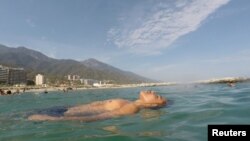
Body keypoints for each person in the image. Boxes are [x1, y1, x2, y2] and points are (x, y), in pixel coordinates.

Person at [28, 90, 167, 122]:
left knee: (12, 120)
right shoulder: (130, 101)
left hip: (61, 115)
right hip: (64, 109)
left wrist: (50, 118)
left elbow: (102, 116)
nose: (154, 92)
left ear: (153, 104)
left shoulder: (133, 107)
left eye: (157, 96)